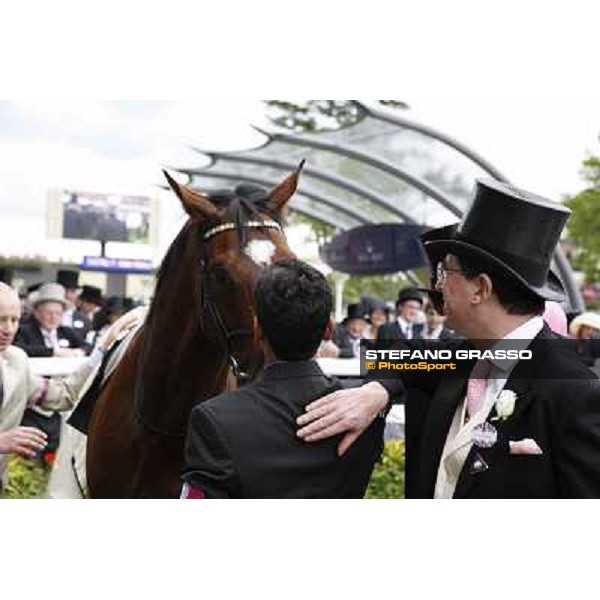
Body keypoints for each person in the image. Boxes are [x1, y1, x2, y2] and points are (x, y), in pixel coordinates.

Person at [297, 179, 600, 498]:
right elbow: (396, 356)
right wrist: (376, 390)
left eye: (445, 273)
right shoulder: (464, 357)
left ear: (480, 289)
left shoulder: (575, 391)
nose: (437, 287)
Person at [181, 259, 386, 499]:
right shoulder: (367, 411)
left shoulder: (214, 419)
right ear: (329, 330)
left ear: (257, 331)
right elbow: (436, 357)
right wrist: (383, 389)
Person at [0, 282, 135, 490]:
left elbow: (65, 395)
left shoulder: (17, 362)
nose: (8, 329)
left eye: (14, 320)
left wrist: (102, 349)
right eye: (1, 320)